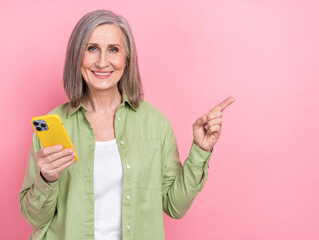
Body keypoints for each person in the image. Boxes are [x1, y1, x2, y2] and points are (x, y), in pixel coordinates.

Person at [19, 9, 234, 240]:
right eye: (92, 49)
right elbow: (36, 219)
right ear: (76, 56)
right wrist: (47, 179)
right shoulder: (53, 125)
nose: (102, 62)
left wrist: (201, 150)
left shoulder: (154, 123)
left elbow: (175, 205)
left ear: (126, 59)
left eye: (113, 49)